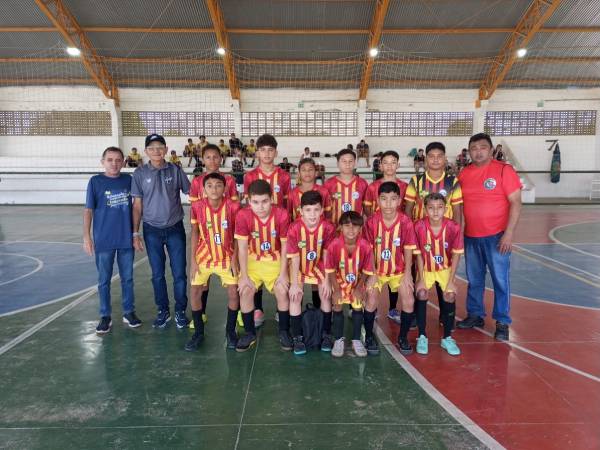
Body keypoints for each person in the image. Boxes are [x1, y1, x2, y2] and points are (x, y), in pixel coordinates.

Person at [456, 133, 522, 341]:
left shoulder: (504, 170)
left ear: (491, 150)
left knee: (500, 280)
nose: (478, 152)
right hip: (471, 237)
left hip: (497, 237)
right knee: (474, 279)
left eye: (482, 147)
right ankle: (475, 314)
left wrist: (508, 233)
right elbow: (459, 206)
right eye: (473, 148)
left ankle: (502, 321)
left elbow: (516, 202)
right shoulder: (464, 173)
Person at [132, 134, 191, 329]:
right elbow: (137, 205)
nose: (156, 151)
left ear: (165, 149)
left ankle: (180, 310)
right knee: (157, 274)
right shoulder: (140, 173)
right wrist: (135, 233)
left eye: (160, 147)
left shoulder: (175, 170)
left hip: (175, 227)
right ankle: (163, 310)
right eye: (152, 148)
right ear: (146, 151)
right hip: (151, 230)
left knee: (179, 273)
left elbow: (191, 193)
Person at [405, 142, 463, 329]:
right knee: (420, 274)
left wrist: (457, 235)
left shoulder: (453, 182)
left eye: (439, 156)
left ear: (445, 158)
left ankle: (446, 315)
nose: (436, 160)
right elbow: (408, 208)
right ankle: (416, 314)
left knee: (444, 272)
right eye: (431, 156)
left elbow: (457, 210)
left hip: (445, 237)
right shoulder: (416, 181)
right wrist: (409, 234)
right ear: (426, 159)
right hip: (421, 236)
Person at [84, 146, 141, 334]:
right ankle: (105, 315)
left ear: (123, 162)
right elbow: (88, 210)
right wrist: (87, 236)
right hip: (103, 240)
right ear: (103, 162)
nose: (114, 163)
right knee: (104, 280)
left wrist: (135, 234)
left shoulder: (129, 180)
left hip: (125, 239)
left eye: (118, 160)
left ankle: (129, 312)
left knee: (128, 278)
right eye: (110, 160)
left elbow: (137, 206)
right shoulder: (95, 182)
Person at [186, 172, 241, 351]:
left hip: (227, 256)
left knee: (233, 293)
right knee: (195, 292)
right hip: (204, 256)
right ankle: (198, 333)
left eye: (218, 185)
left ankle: (230, 331)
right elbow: (195, 232)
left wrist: (235, 258)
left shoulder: (234, 206)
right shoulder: (197, 206)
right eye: (209, 186)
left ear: (224, 188)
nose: (214, 189)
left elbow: (238, 235)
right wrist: (193, 260)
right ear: (203, 189)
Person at [234, 180, 291, 352]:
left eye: (265, 201)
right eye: (256, 202)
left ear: (272, 199)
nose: (260, 207)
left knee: (282, 290)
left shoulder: (282, 214)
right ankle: (249, 333)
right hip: (253, 260)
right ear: (249, 201)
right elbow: (242, 248)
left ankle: (284, 332)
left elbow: (285, 246)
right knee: (245, 291)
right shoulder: (243, 215)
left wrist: (283, 274)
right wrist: (244, 276)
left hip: (275, 260)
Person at [243, 134, 292, 326]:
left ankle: (282, 309)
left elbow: (287, 203)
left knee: (280, 266)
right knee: (256, 264)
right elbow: (248, 204)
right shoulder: (250, 176)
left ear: (276, 152)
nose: (266, 154)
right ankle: (257, 308)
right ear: (257, 153)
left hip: (279, 227)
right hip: (256, 229)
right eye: (262, 150)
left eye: (270, 150)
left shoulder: (284, 176)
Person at [188, 144, 240, 323]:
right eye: (208, 157)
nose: (212, 160)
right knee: (203, 279)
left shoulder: (229, 180)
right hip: (206, 237)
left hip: (225, 236)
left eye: (215, 157)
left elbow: (234, 210)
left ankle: (238, 313)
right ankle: (201, 312)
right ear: (202, 159)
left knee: (234, 278)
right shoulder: (197, 181)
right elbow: (195, 217)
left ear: (221, 158)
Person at [364, 182, 417, 355]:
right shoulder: (371, 222)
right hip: (377, 271)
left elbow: (408, 248)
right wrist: (372, 274)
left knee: (409, 299)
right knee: (371, 299)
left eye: (393, 199)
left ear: (399, 201)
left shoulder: (405, 222)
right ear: (378, 200)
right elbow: (368, 250)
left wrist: (408, 274)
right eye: (384, 199)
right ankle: (369, 336)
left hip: (398, 271)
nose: (388, 204)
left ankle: (403, 337)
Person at [413, 193, 463, 356]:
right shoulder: (419, 226)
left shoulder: (453, 227)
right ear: (425, 209)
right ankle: (422, 336)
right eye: (431, 208)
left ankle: (447, 337)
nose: (435, 211)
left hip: (444, 269)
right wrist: (420, 279)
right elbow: (418, 254)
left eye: (439, 207)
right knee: (421, 293)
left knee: (450, 295)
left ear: (445, 209)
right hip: (426, 269)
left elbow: (456, 254)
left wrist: (452, 280)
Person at [287, 191, 336, 354]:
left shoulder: (328, 227)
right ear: (301, 211)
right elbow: (294, 258)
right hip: (299, 267)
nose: (312, 214)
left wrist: (327, 281)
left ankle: (326, 334)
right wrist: (294, 284)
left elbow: (327, 255)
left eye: (316, 209)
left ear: (322, 210)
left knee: (325, 295)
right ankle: (297, 338)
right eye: (308, 210)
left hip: (319, 266)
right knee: (295, 297)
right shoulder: (294, 228)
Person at [325, 211, 376, 358]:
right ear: (340, 227)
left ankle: (356, 340)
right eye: (347, 226)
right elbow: (330, 269)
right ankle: (338, 339)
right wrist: (336, 289)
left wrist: (359, 287)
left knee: (357, 305)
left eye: (355, 226)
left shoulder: (365, 246)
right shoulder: (334, 245)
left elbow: (366, 270)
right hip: (339, 282)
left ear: (360, 228)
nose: (351, 229)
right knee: (337, 305)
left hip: (357, 282)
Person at [323, 148, 369, 224]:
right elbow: (324, 208)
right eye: (344, 161)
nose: (347, 164)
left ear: (355, 163)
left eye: (350, 161)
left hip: (356, 228)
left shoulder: (362, 183)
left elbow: (366, 210)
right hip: (334, 228)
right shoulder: (329, 184)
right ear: (338, 163)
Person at [364, 150, 408, 216]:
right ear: (381, 165)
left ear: (398, 165)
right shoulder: (372, 187)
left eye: (393, 162)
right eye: (385, 163)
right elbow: (367, 207)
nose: (389, 166)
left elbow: (407, 208)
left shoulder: (405, 186)